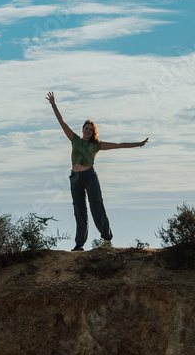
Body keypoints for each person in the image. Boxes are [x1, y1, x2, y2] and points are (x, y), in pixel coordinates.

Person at [46, 91, 149, 251]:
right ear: (82, 129)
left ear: (93, 132)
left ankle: (107, 239)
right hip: (75, 178)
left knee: (97, 206)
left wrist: (138, 144)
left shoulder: (97, 145)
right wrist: (53, 104)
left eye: (90, 129)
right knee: (79, 209)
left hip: (90, 177)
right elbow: (62, 122)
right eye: (86, 128)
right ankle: (79, 244)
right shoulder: (74, 139)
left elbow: (118, 145)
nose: (87, 131)